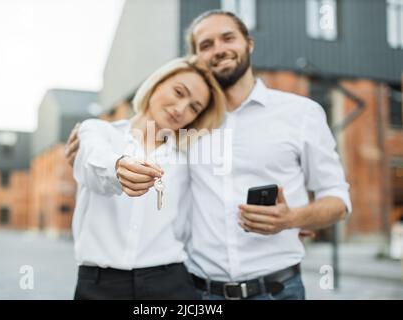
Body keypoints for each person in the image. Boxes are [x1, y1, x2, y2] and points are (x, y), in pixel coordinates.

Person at [66, 10, 352, 300]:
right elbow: (111, 152)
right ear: (195, 57)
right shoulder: (186, 134)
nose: (219, 49)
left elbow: (337, 199)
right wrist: (93, 145)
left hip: (277, 289)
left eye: (228, 38)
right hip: (201, 292)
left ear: (248, 43)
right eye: (206, 44)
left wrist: (293, 219)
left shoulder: (301, 113)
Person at [72, 56, 225, 300]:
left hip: (170, 283)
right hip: (100, 285)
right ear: (157, 83)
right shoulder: (99, 131)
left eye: (194, 107)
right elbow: (92, 164)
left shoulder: (190, 158)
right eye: (178, 92)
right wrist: (118, 168)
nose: (180, 109)